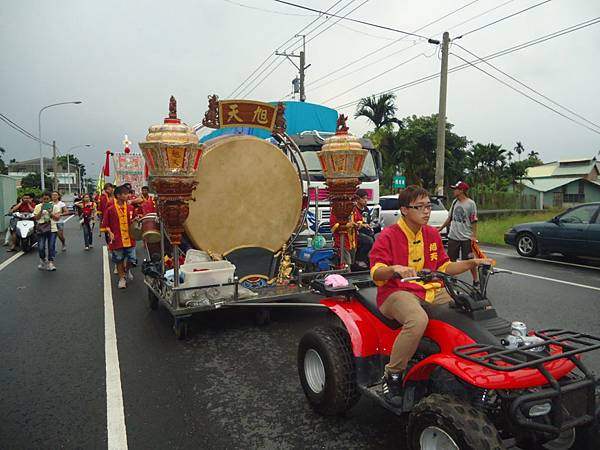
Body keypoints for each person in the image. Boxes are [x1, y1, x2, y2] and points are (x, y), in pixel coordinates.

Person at [370, 185, 491, 405]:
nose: (426, 211)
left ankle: (479, 370)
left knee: (472, 307)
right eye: (420, 207)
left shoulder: (432, 234)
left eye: (428, 206)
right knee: (417, 320)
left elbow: (444, 267)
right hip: (395, 292)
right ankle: (393, 373)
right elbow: (376, 272)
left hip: (430, 290)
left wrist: (472, 262)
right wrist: (394, 269)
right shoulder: (387, 236)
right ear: (405, 210)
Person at [438, 181, 479, 286]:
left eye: (456, 189)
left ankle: (476, 280)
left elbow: (474, 220)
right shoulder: (455, 202)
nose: (454, 191)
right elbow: (450, 218)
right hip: (453, 236)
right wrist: (441, 228)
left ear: (461, 191)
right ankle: (453, 278)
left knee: (469, 260)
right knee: (451, 259)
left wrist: (474, 236)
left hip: (466, 237)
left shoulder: (470, 203)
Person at [101, 185, 136, 289]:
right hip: (117, 239)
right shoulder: (111, 209)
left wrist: (136, 220)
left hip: (130, 238)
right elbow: (105, 224)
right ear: (118, 195)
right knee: (119, 259)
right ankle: (122, 278)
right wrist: (109, 232)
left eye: (128, 193)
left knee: (132, 259)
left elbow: (133, 221)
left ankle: (126, 270)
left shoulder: (131, 208)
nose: (127, 195)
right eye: (125, 194)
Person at [33, 191, 62, 271]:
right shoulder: (38, 206)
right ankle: (42, 259)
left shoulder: (55, 207)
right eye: (44, 198)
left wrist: (50, 212)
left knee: (51, 246)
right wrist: (41, 210)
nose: (45, 200)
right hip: (41, 229)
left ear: (50, 198)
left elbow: (57, 218)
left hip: (52, 228)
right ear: (41, 198)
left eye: (47, 199)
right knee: (41, 247)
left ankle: (50, 263)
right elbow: (36, 218)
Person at [330, 203, 363, 268]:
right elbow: (333, 225)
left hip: (353, 240)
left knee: (352, 261)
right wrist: (346, 225)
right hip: (342, 240)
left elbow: (359, 219)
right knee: (347, 264)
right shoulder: (336, 209)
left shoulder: (354, 208)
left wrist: (359, 224)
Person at [354, 189, 375, 269]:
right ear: (358, 199)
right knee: (368, 241)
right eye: (364, 198)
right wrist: (363, 225)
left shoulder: (366, 209)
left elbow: (368, 221)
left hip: (366, 231)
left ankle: (369, 259)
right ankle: (359, 259)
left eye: (367, 198)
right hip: (357, 232)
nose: (366, 200)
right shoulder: (354, 209)